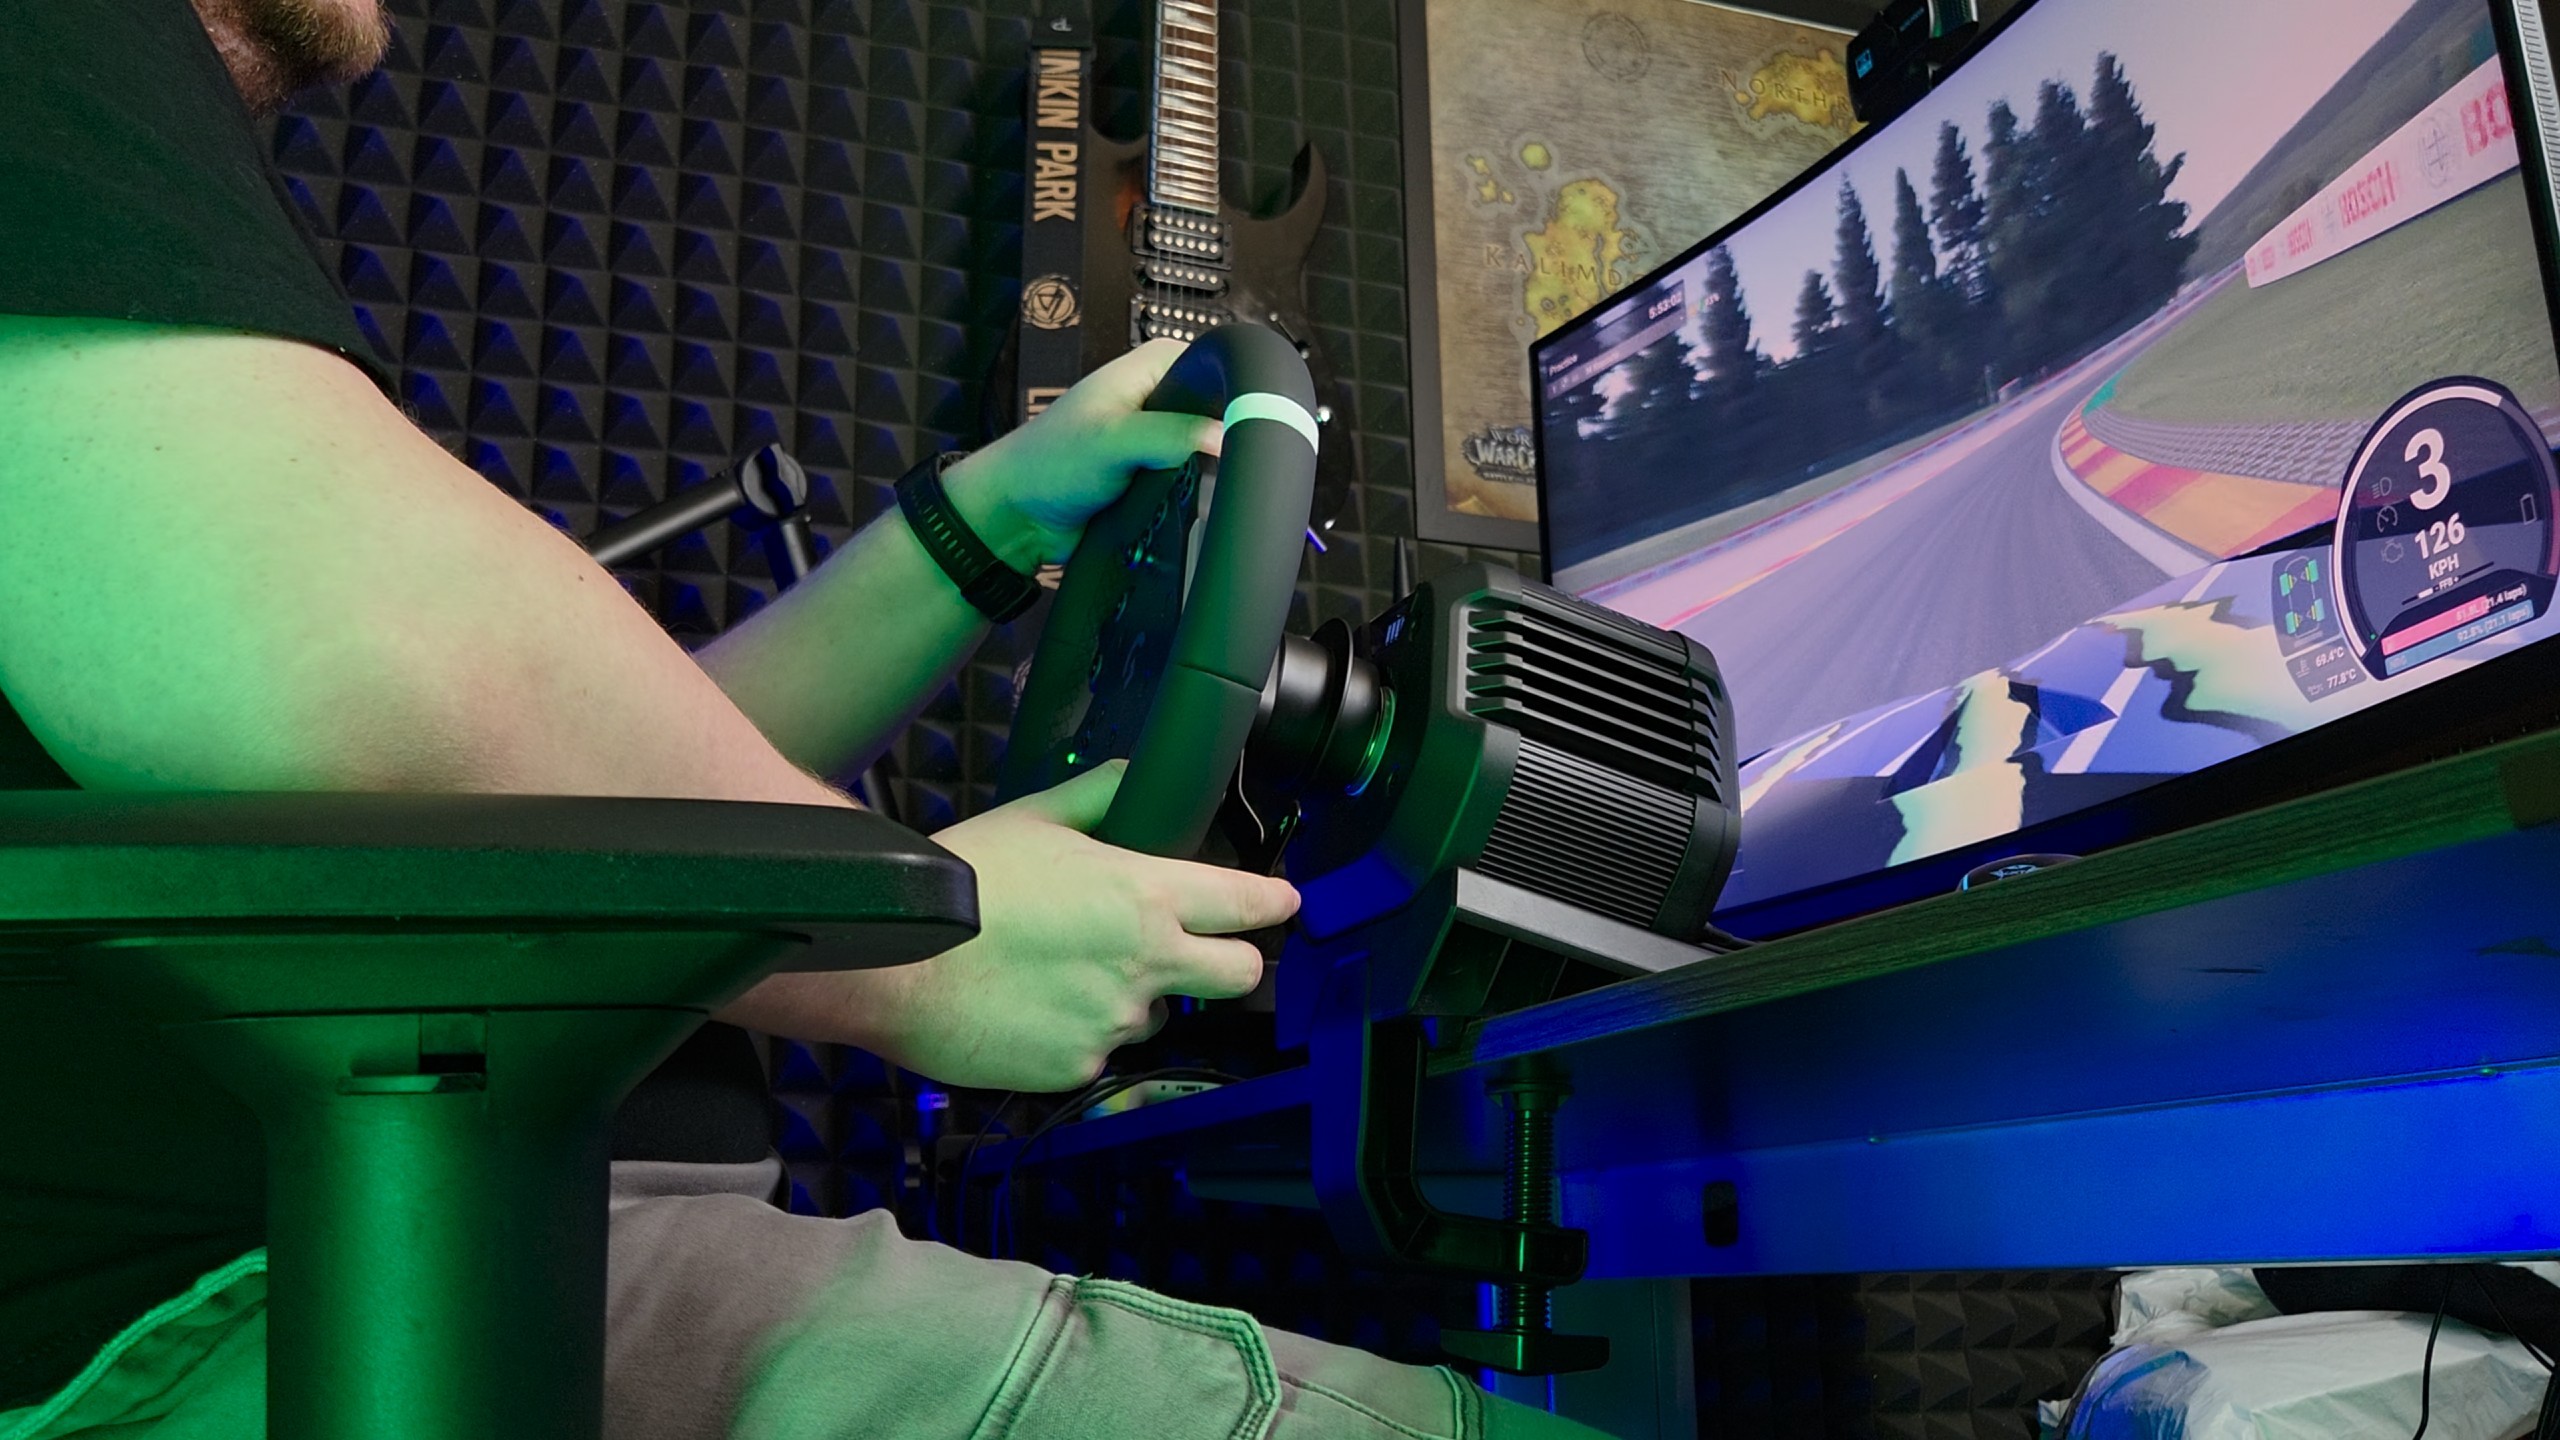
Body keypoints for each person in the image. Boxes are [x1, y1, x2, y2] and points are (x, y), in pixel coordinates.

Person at [0, 3, 1616, 1438]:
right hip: (266, 1310)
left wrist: (986, 519)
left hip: (411, 1233)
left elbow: (567, 811)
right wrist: (927, 947)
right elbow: (361, 670)